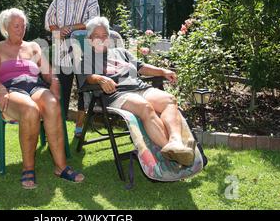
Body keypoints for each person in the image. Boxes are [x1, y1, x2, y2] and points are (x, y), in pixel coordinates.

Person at [0, 8, 84, 189]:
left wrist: (54, 82)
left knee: (53, 105)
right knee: (30, 110)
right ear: (6, 27)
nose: (21, 29)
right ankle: (28, 168)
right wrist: (0, 89)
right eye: (16, 26)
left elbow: (47, 73)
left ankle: (61, 167)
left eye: (23, 26)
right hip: (12, 89)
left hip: (35, 86)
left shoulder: (33, 46)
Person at [77, 17, 195, 166]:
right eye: (97, 36)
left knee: (169, 100)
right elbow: (87, 78)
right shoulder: (85, 59)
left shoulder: (121, 52)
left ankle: (175, 142)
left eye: (104, 36)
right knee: (145, 107)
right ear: (89, 39)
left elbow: (141, 67)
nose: (101, 39)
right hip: (117, 94)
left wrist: (163, 71)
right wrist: (100, 79)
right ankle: (173, 155)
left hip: (140, 88)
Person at [45, 0, 100, 138]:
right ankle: (58, 128)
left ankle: (79, 126)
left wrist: (71, 28)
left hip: (84, 52)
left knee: (84, 89)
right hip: (62, 52)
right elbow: (48, 21)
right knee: (62, 90)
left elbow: (93, 24)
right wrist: (58, 31)